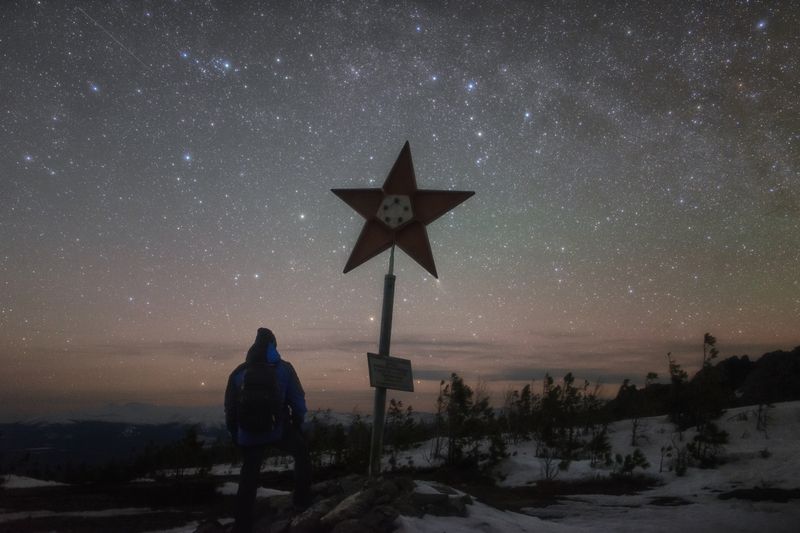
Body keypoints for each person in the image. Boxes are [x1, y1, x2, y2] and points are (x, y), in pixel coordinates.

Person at [225, 327, 311, 533]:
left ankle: (242, 524)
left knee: (249, 474)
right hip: (278, 429)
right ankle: (301, 502)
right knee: (302, 453)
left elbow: (230, 409)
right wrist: (297, 423)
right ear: (274, 345)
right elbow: (298, 400)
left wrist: (235, 434)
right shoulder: (285, 369)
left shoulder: (238, 372)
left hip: (249, 434)